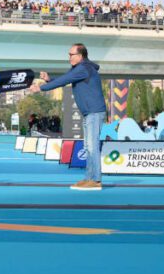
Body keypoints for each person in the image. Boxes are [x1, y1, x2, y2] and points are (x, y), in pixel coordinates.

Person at [31, 43, 107, 191]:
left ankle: (96, 180)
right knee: (88, 147)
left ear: (80, 56)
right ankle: (89, 178)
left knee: (92, 147)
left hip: (94, 112)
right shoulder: (79, 69)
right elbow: (65, 79)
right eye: (69, 54)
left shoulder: (84, 68)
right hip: (89, 113)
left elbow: (64, 80)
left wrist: (40, 87)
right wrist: (48, 80)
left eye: (71, 55)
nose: (69, 57)